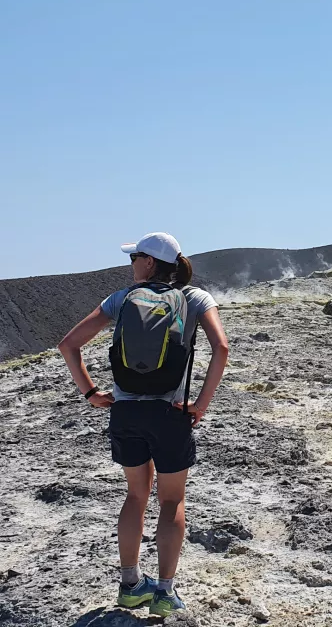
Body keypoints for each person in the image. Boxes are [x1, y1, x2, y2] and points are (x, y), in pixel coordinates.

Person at [58, 232, 229, 617]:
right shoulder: (195, 299)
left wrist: (91, 393)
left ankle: (131, 585)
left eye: (135, 256)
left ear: (149, 263)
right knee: (171, 500)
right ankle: (165, 594)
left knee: (135, 496)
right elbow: (222, 347)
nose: (131, 262)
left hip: (126, 414)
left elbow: (69, 344)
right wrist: (200, 405)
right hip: (170, 416)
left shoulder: (120, 299)